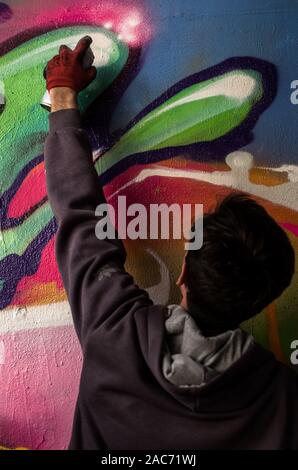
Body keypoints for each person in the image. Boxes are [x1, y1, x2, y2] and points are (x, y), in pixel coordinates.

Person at [44, 36, 298, 450]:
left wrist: (62, 95)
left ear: (183, 275)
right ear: (263, 298)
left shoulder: (114, 332)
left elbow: (80, 217)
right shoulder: (283, 400)